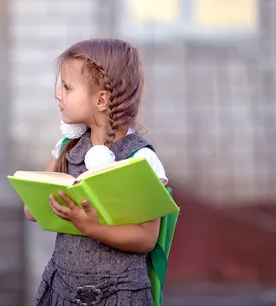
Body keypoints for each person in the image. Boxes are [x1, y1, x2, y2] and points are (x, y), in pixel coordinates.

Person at [26, 38, 169, 306]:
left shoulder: (140, 158)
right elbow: (32, 211)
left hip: (120, 296)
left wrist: (92, 227)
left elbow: (146, 238)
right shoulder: (67, 148)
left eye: (67, 87)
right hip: (62, 291)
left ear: (101, 99)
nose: (58, 94)